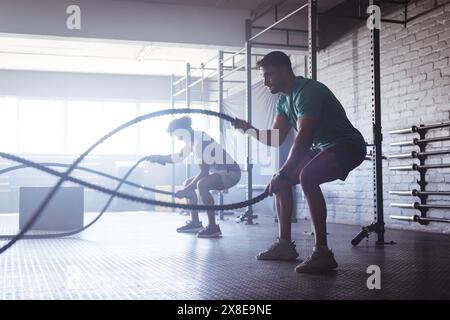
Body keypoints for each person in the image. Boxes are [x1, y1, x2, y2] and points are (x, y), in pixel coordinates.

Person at [233, 51, 366, 273]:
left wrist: (284, 171)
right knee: (282, 182)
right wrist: (249, 129)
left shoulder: (308, 91)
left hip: (348, 145)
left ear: (285, 70)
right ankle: (285, 246)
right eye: (264, 76)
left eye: (269, 75)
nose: (266, 82)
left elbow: (304, 136)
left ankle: (322, 253)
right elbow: (276, 139)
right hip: (324, 147)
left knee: (307, 176)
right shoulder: (284, 100)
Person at [147, 116, 241, 238]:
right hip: (218, 173)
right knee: (188, 183)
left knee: (201, 184)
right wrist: (158, 158)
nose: (178, 138)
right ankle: (195, 223)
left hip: (231, 173)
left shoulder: (199, 142)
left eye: (177, 134)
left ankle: (213, 227)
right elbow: (178, 157)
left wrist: (186, 191)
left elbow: (204, 173)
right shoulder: (192, 140)